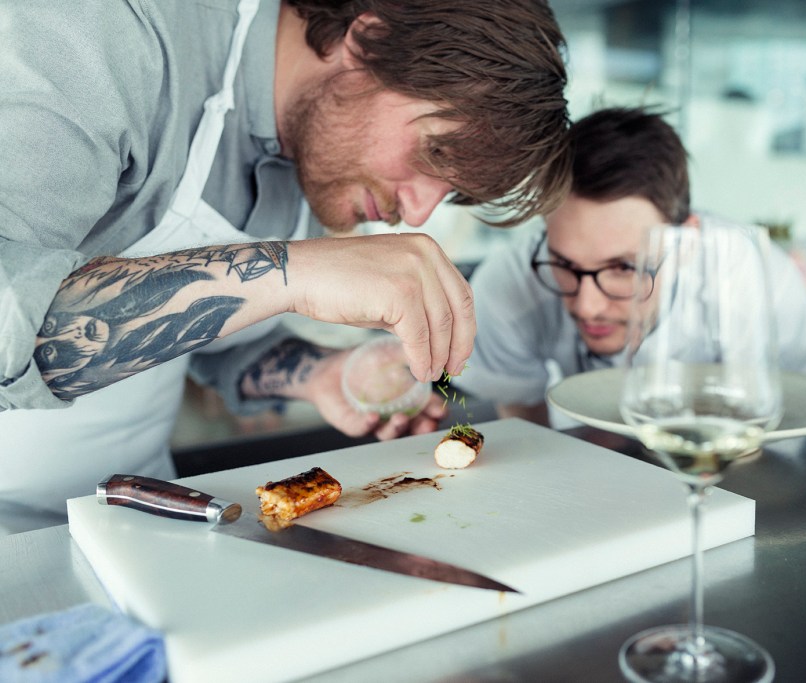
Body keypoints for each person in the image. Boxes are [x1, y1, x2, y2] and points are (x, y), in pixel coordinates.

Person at [0, 0, 571, 534]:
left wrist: (324, 376)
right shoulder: (107, 28)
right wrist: (289, 271)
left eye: (448, 193)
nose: (416, 212)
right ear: (368, 41)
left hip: (141, 504)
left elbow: (211, 337)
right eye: (434, 154)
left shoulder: (317, 153)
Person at [454, 107, 806, 426]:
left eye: (623, 268)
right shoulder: (510, 283)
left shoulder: (760, 279)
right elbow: (525, 424)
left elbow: (796, 418)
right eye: (563, 263)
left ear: (688, 242)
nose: (586, 306)